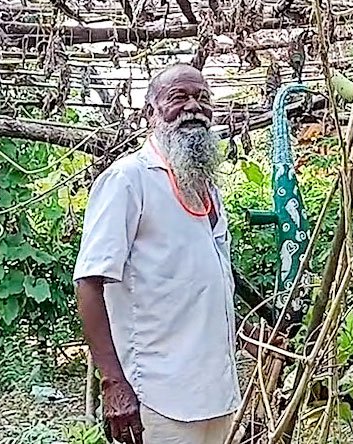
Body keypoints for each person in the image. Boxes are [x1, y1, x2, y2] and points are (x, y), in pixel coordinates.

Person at [73, 64, 272, 444]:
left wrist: (247, 336)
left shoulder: (206, 188)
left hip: (217, 393)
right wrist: (113, 383)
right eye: (179, 98)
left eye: (203, 98)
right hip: (157, 396)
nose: (194, 107)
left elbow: (198, 286)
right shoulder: (128, 180)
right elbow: (89, 282)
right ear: (150, 112)